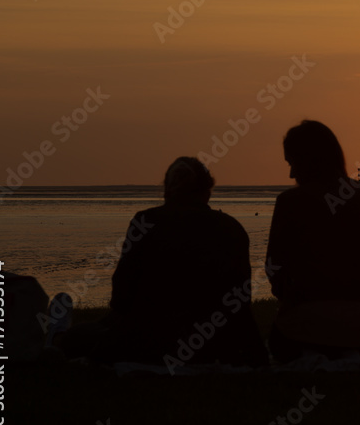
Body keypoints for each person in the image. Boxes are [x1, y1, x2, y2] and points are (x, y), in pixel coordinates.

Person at [63, 157, 267, 368]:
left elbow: (121, 298)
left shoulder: (146, 222)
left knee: (75, 336)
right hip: (212, 346)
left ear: (167, 191)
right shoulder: (231, 227)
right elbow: (241, 300)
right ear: (207, 191)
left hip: (149, 344)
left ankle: (57, 336)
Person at [265, 120, 360, 362]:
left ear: (308, 160)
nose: (291, 174)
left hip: (299, 331)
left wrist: (291, 300)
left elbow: (274, 267)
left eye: (292, 163)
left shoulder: (290, 202)